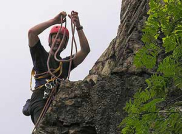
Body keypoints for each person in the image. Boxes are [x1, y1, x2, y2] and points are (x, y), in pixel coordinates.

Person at [26, 11, 90, 124]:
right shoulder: (40, 55)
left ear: (65, 45)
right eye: (56, 37)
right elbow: (32, 33)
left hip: (58, 100)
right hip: (41, 98)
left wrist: (78, 27)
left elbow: (85, 50)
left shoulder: (65, 63)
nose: (59, 40)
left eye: (63, 39)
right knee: (44, 127)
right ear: (50, 40)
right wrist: (53, 21)